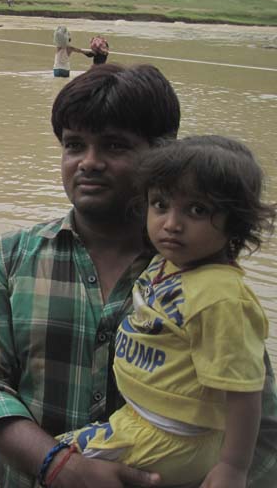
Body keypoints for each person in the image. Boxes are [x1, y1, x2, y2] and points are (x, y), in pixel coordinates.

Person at [0, 64, 277, 488]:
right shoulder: (11, 257)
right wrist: (61, 466)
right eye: (74, 145)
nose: (89, 162)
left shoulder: (205, 281)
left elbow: (258, 419)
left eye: (114, 146)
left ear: (161, 156)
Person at [56, 134, 274, 488]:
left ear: (236, 222)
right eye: (160, 204)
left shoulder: (221, 297)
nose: (171, 223)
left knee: (57, 463)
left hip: (172, 437)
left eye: (197, 210)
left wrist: (233, 466)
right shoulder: (171, 265)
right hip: (142, 419)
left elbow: (245, 391)